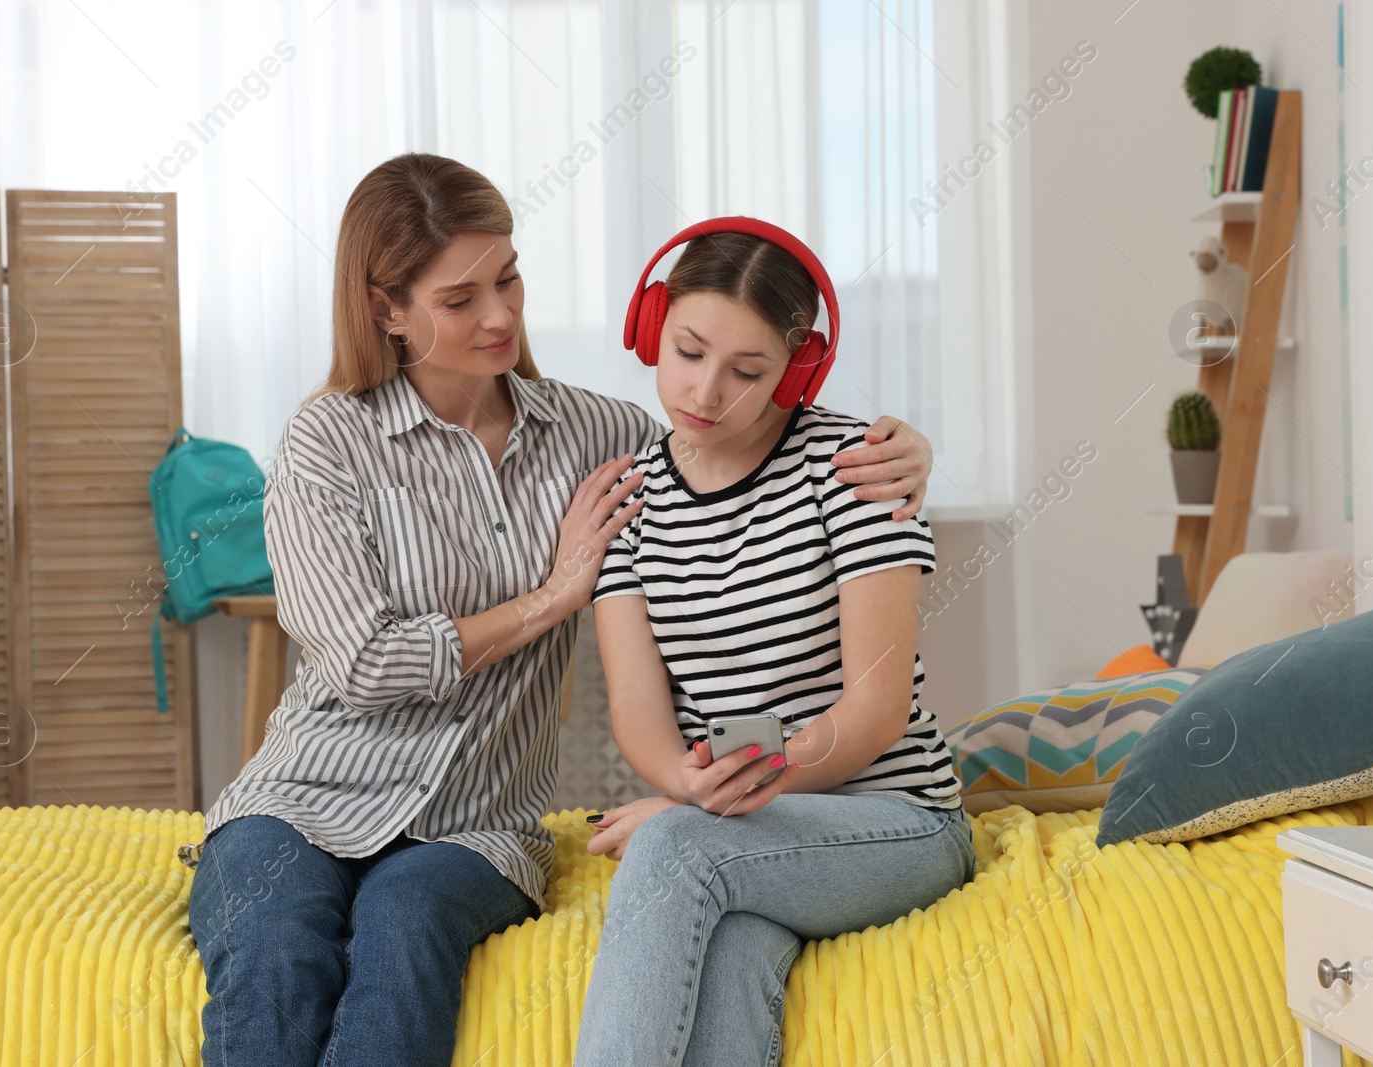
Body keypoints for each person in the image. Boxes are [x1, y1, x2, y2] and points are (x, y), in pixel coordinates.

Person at [184, 154, 940, 1067]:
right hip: (306, 795)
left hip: (478, 819)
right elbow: (364, 663)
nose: (500, 314)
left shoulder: (605, 441)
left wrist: (907, 446)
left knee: (405, 918)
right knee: (273, 954)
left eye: (507, 279)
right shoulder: (329, 441)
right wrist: (552, 599)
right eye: (460, 299)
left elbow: (738, 438)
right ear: (387, 310)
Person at [572, 218, 975, 1067]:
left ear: (797, 371)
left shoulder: (855, 469)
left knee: (677, 848)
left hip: (895, 819)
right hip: (753, 826)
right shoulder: (632, 499)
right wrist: (691, 780)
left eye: (748, 371)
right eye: (686, 351)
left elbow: (874, 709)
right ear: (651, 329)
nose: (707, 391)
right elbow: (640, 706)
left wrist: (704, 802)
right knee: (733, 944)